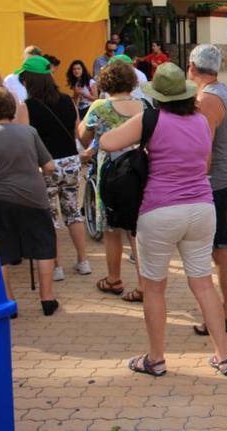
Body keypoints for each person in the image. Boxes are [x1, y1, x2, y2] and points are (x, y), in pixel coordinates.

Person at [101, 62, 227, 377]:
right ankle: (223, 356)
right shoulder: (201, 121)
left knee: (154, 287)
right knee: (203, 283)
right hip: (201, 208)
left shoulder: (151, 119)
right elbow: (202, 163)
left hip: (160, 210)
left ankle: (156, 358)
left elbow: (107, 143)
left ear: (158, 96)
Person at [0, 87, 59, 316]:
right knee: (44, 245)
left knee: (2, 250)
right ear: (11, 109)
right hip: (34, 197)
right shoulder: (29, 131)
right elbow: (49, 166)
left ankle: (9, 302)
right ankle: (47, 299)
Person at [187, 44, 227, 336]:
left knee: (218, 248)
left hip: (216, 182)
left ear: (192, 68)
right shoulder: (224, 92)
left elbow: (203, 147)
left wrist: (195, 180)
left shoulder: (208, 98)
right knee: (222, 245)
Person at [79, 60, 145, 302]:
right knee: (135, 229)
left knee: (110, 227)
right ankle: (143, 283)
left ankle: (114, 278)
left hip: (108, 171)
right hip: (138, 171)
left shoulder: (99, 106)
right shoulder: (144, 105)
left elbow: (84, 137)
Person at [20, 56, 90, 280]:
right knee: (73, 213)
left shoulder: (27, 107)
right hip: (70, 162)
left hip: (45, 165)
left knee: (50, 217)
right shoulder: (67, 100)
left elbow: (24, 139)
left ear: (29, 80)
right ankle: (83, 260)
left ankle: (57, 266)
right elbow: (77, 130)